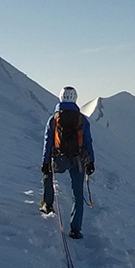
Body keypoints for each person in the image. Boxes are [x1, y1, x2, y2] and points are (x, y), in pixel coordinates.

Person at [40, 85, 96, 238]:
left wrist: (45, 163)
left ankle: (48, 204)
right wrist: (90, 162)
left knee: (48, 176)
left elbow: (48, 142)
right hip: (77, 159)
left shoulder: (54, 119)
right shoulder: (82, 119)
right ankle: (75, 229)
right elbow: (88, 142)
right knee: (78, 194)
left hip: (58, 158)